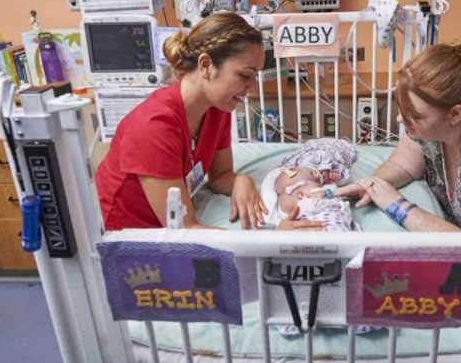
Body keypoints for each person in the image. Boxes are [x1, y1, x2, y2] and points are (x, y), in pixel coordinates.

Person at [335, 33, 461, 331]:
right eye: (401, 109)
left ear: (455, 114)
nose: (400, 120)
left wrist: (397, 205)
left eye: (412, 115)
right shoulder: (432, 123)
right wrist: (370, 184)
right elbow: (404, 163)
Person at [95, 13, 318, 231]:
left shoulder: (217, 108)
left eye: (255, 76)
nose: (253, 87)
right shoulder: (154, 127)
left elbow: (219, 176)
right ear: (206, 65)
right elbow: (184, 230)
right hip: (132, 233)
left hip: (176, 220)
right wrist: (273, 239)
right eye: (245, 75)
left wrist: (241, 180)